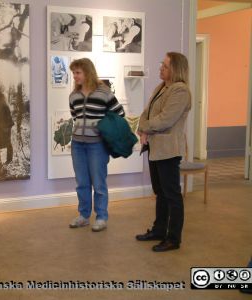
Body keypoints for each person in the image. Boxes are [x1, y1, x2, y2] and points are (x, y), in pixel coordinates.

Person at [135, 52, 191, 252]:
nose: (161, 68)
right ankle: (159, 230)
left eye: (165, 65)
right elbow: (147, 112)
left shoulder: (180, 90)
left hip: (168, 150)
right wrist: (141, 127)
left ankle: (173, 238)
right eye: (162, 64)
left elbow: (166, 119)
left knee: (172, 195)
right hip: (155, 147)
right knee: (160, 193)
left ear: (175, 69)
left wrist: (145, 127)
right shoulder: (162, 87)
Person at [68, 58, 125, 232]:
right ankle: (84, 216)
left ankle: (101, 216)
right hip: (77, 144)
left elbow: (120, 113)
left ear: (87, 72)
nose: (75, 76)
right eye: (74, 73)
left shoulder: (103, 92)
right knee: (82, 182)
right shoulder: (74, 96)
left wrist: (103, 128)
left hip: (97, 146)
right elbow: (75, 116)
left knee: (99, 182)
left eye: (77, 73)